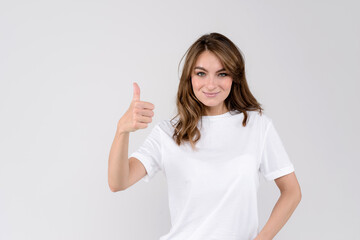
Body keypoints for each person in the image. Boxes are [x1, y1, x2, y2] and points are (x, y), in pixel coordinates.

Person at [108, 32, 302, 240]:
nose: (211, 85)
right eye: (201, 73)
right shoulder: (168, 133)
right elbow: (118, 182)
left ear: (235, 77)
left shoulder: (257, 126)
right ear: (189, 77)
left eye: (222, 73)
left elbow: (292, 192)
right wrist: (122, 131)